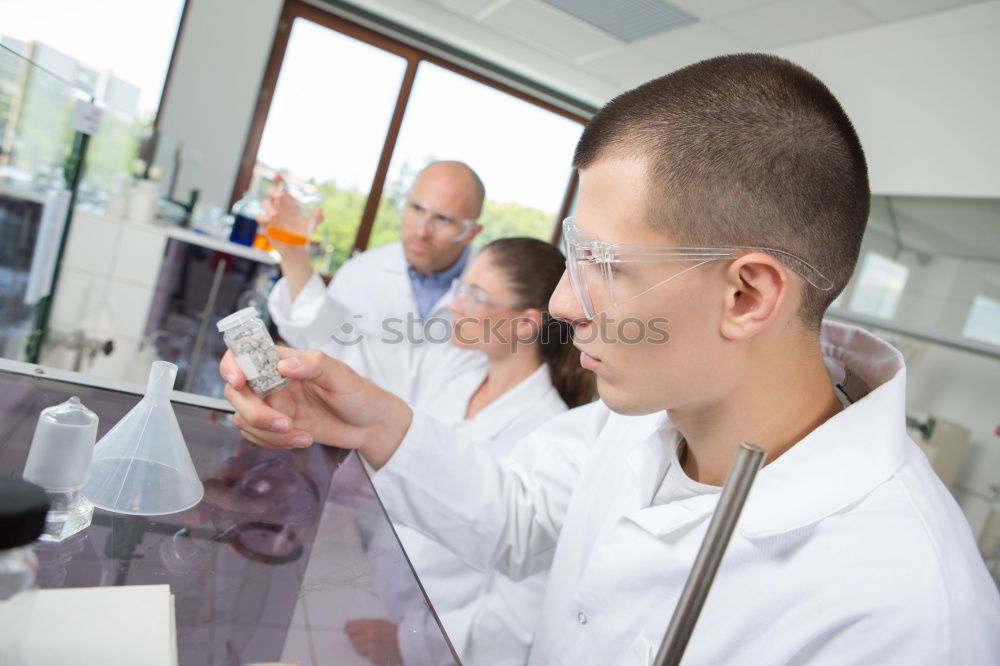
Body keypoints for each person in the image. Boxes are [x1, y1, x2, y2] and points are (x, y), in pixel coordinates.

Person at [221, 54, 1000, 665]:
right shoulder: (641, 419)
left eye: (605, 263)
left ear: (747, 296)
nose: (563, 305)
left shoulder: (907, 612)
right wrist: (367, 422)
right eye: (571, 256)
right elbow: (516, 515)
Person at [234, 237, 596, 664]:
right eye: (460, 287)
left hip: (432, 632)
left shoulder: (548, 433)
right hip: (370, 581)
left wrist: (411, 645)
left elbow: (517, 610)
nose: (454, 305)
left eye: (474, 295)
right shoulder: (454, 368)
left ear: (524, 324)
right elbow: (355, 358)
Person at [265, 160, 486, 344]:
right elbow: (318, 341)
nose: (422, 231)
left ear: (471, 233)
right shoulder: (359, 273)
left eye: (443, 219)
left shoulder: (497, 294)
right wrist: (293, 254)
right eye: (417, 209)